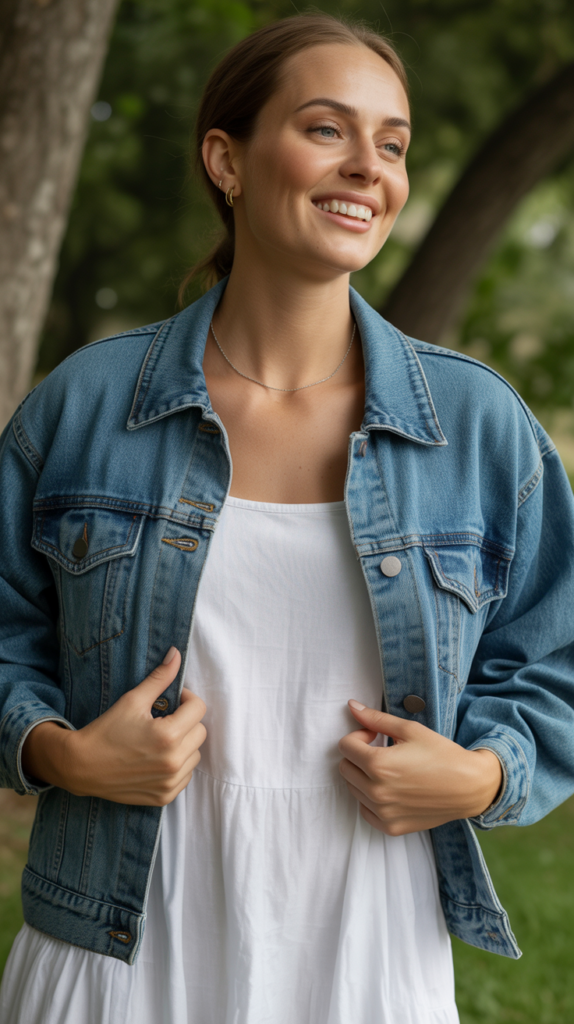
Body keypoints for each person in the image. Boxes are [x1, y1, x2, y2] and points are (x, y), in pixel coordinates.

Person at [1, 12, 574, 1024]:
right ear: (225, 160)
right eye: (326, 129)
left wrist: (484, 775)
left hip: (368, 960)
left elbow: (557, 657)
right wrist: (60, 752)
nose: (368, 168)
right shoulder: (85, 406)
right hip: (117, 952)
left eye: (392, 143)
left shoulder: (479, 427)